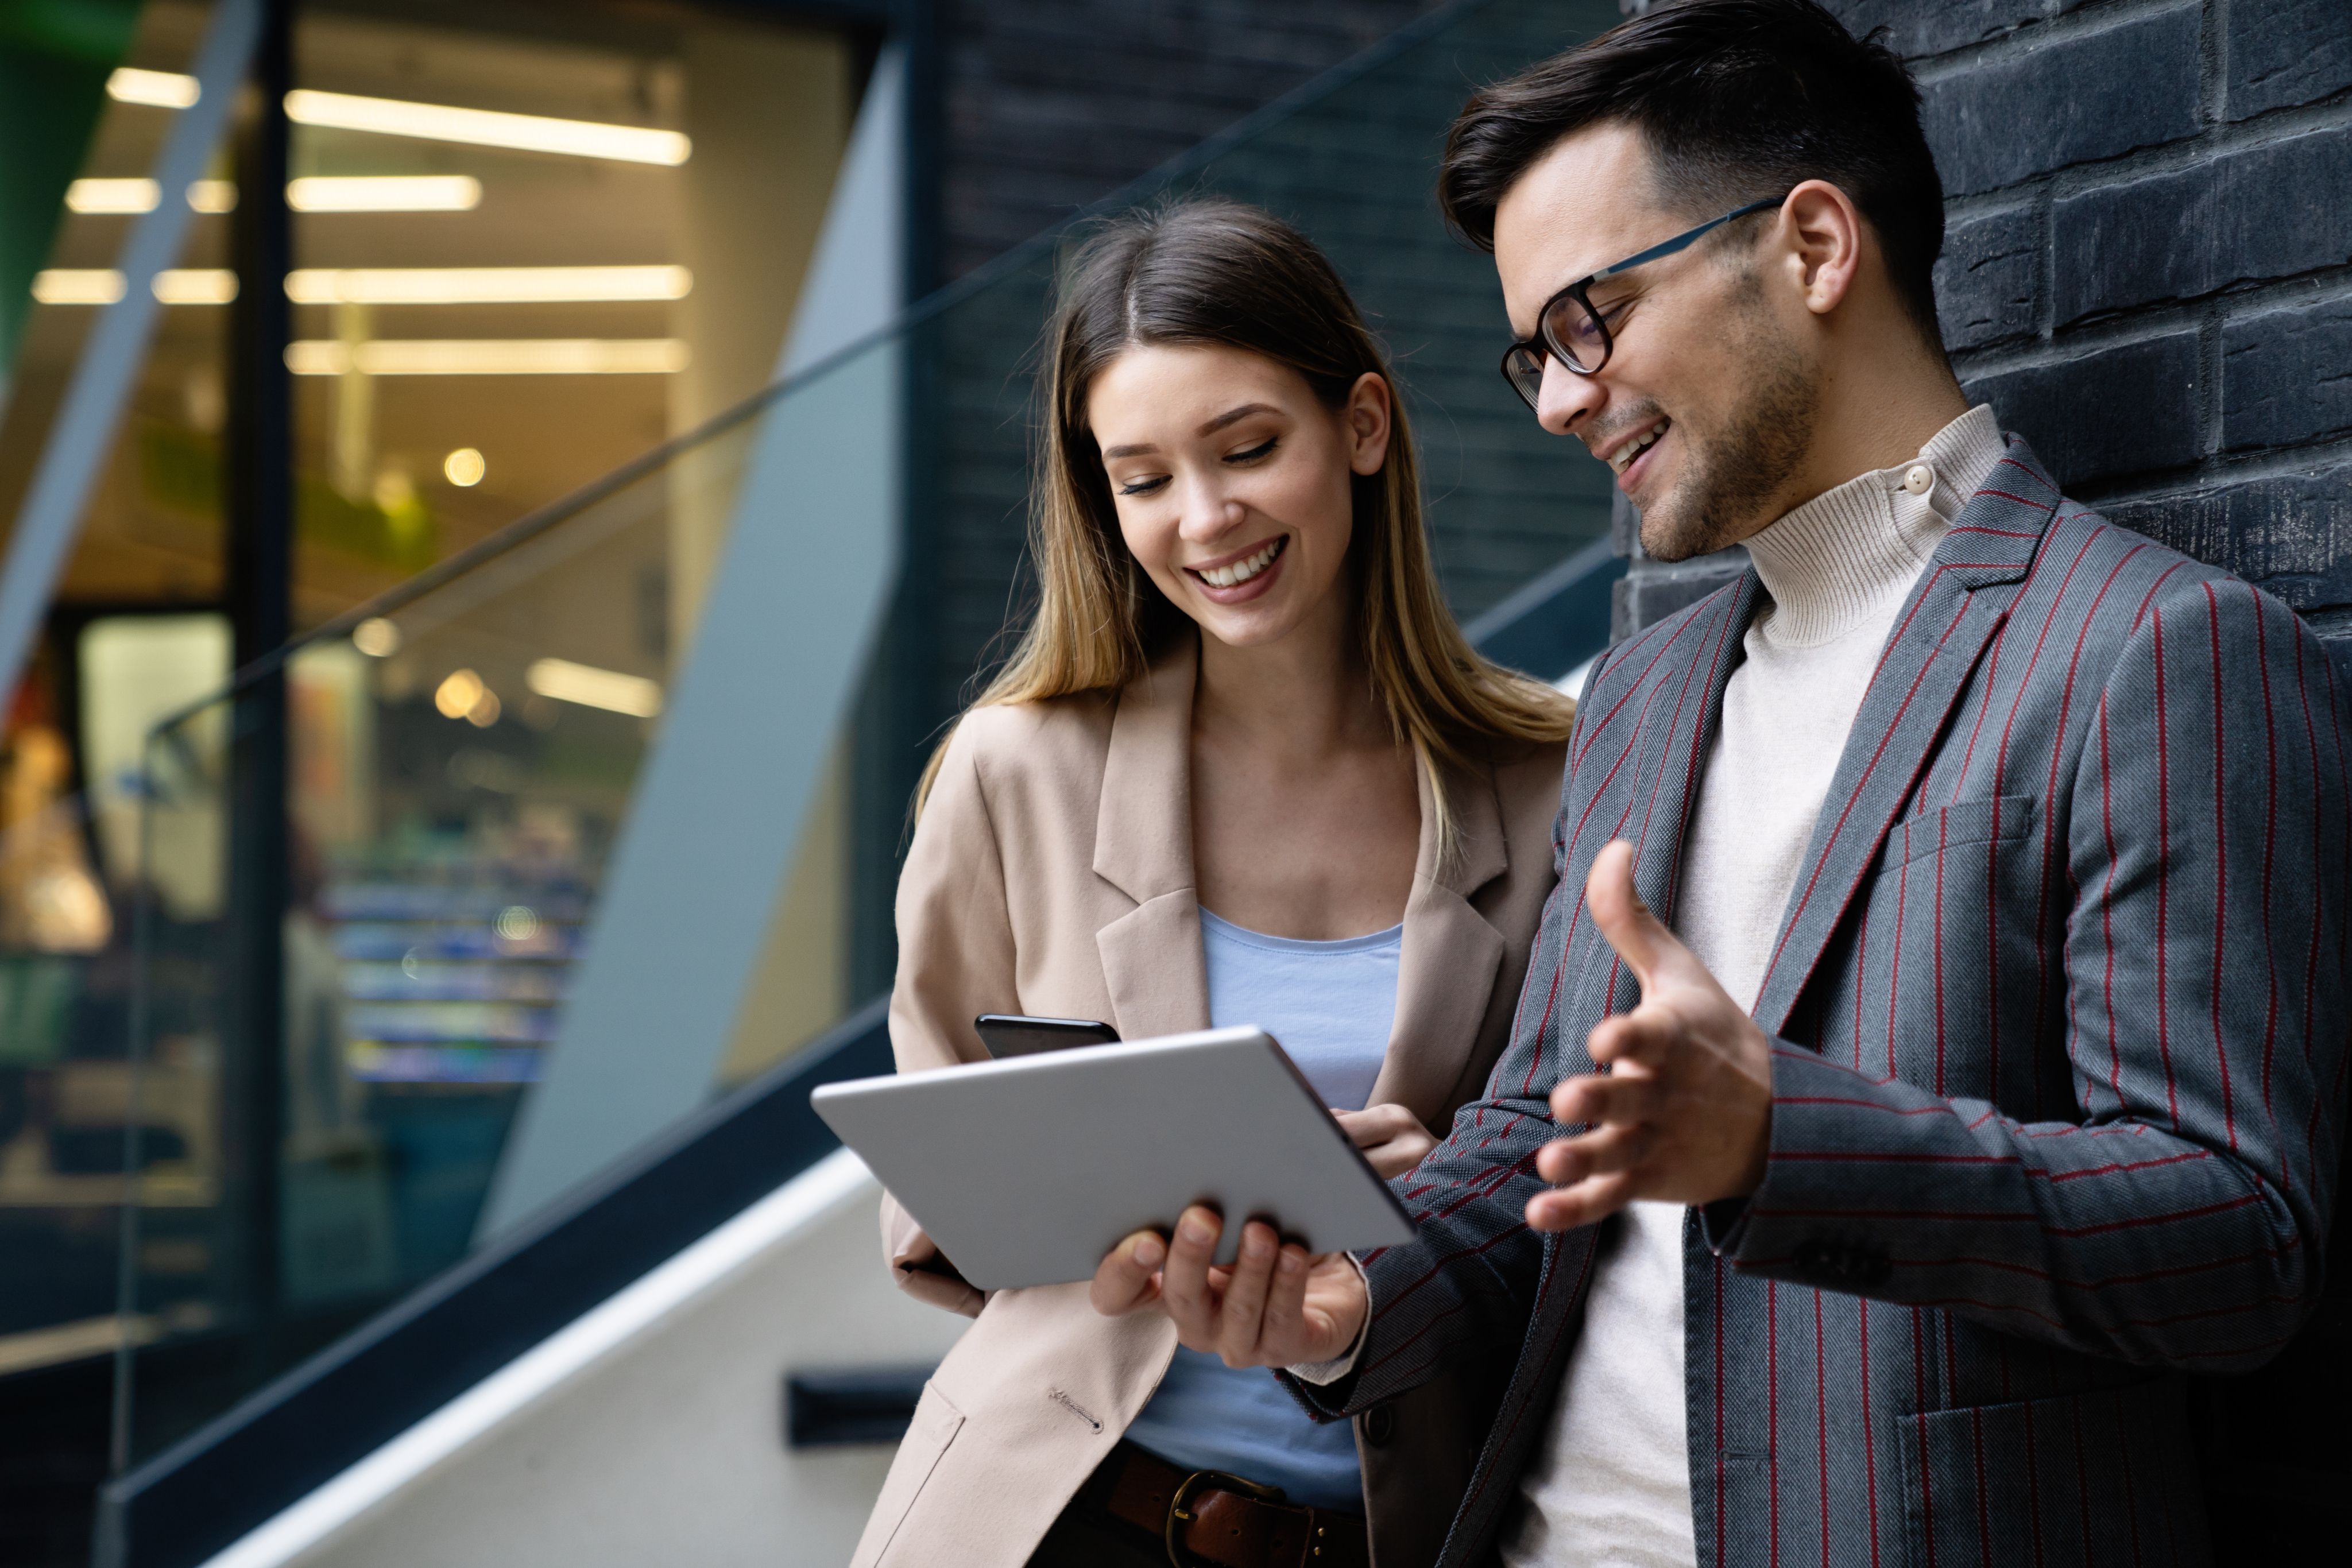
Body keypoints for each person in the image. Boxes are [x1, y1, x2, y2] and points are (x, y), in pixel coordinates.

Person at [1088, 4, 2352, 1565]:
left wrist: (1783, 1139)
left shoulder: (2154, 651)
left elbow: (2240, 1239)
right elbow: (1535, 1140)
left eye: (1588, 320)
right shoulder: (1640, 692)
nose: (1556, 399)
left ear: (1814, 246)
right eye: (1534, 351)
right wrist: (1358, 1293)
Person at [850, 198, 1580, 1568]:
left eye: (1248, 448)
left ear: (1361, 426)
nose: (1204, 519)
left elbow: (1590, 1202)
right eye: (1141, 479)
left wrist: (1443, 1208)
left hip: (1398, 1532)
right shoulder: (1014, 771)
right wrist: (1116, 1202)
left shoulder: (1553, 781)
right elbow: (930, 1203)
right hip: (1064, 1518)